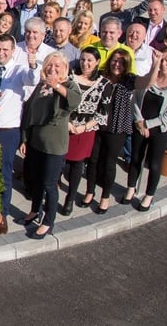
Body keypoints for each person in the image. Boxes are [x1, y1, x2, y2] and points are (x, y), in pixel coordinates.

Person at [0, 34, 40, 234]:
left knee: (3, 174)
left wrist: (33, 65)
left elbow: (32, 79)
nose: (1, 53)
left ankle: (1, 214)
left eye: (5, 50)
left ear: (12, 51)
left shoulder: (20, 70)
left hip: (7, 131)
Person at [18, 52, 81, 239]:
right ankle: (35, 210)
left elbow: (74, 101)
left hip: (54, 145)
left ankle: (48, 221)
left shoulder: (69, 85)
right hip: (36, 140)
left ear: (65, 69)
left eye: (57, 66)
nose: (52, 69)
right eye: (49, 66)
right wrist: (24, 138)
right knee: (36, 180)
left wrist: (57, 86)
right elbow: (29, 112)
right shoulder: (41, 85)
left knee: (49, 184)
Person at [124, 46, 167, 211]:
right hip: (140, 124)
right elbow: (135, 98)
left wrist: (149, 125)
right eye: (161, 60)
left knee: (154, 163)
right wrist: (139, 121)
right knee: (136, 158)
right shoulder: (150, 78)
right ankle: (131, 187)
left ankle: (149, 195)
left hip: (159, 129)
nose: (164, 64)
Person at [81, 48, 139, 214]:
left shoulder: (128, 79)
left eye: (121, 62)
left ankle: (105, 197)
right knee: (92, 160)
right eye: (114, 60)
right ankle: (90, 191)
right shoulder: (100, 75)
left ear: (126, 64)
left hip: (116, 127)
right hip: (97, 124)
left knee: (109, 163)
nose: (117, 64)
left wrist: (156, 65)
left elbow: (146, 83)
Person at [60, 47, 111, 216]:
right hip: (64, 126)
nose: (85, 63)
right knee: (59, 161)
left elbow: (103, 112)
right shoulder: (69, 77)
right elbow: (59, 101)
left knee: (77, 165)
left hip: (85, 130)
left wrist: (84, 127)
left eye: (89, 60)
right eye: (83, 59)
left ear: (97, 62)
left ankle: (70, 199)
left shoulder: (104, 84)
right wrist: (66, 122)